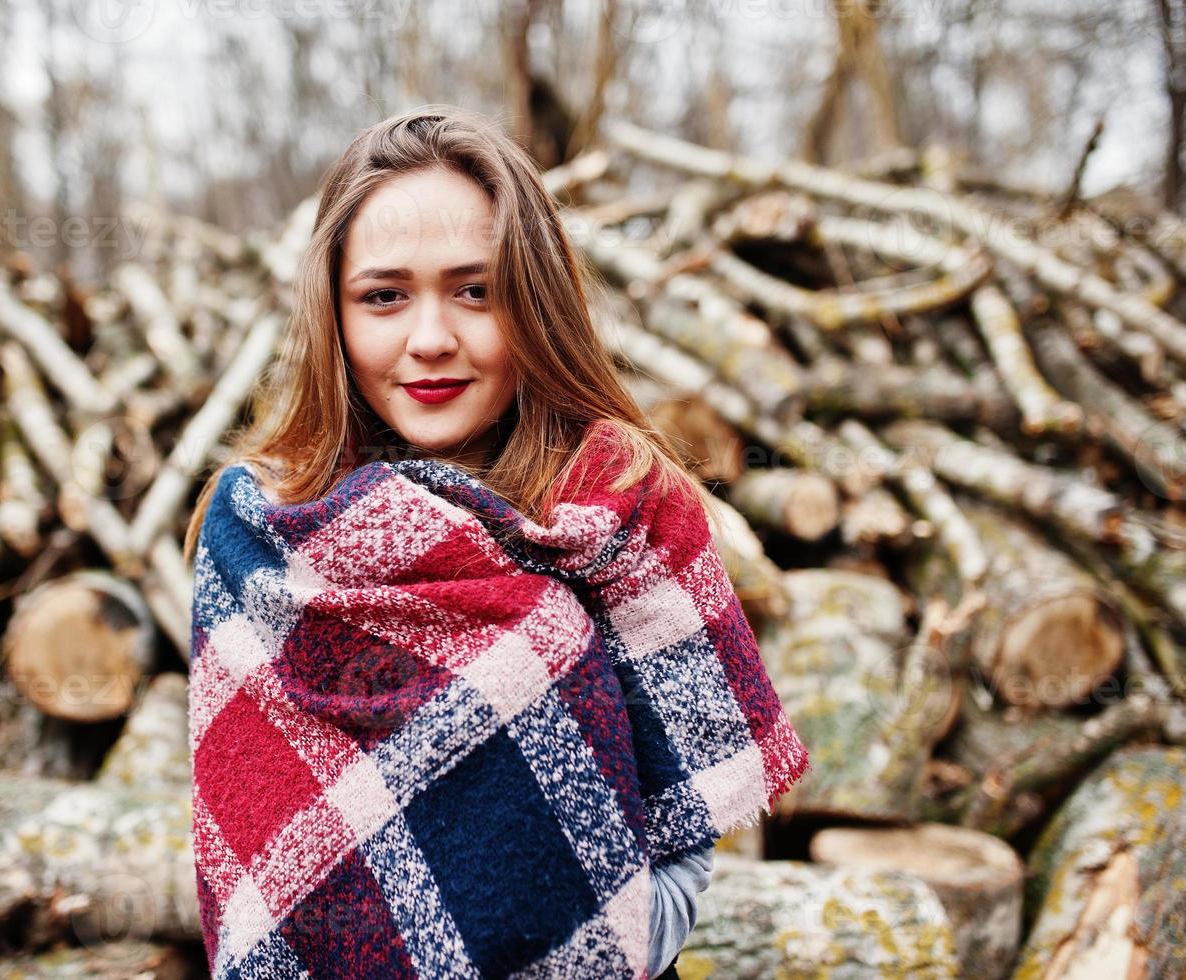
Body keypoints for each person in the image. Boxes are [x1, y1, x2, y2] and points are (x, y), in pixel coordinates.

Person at [184, 105, 801, 979]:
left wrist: (594, 945)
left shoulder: (625, 504)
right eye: (384, 296)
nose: (431, 339)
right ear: (333, 312)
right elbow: (242, 841)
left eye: (476, 291)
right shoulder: (257, 527)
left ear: (535, 300)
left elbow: (686, 821)